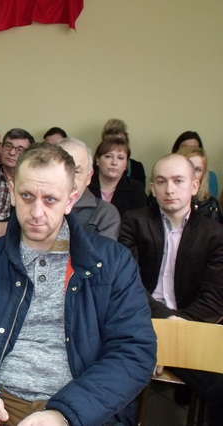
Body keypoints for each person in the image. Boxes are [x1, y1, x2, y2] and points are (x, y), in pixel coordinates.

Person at [0, 143, 156, 426]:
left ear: (71, 200)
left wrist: (64, 414)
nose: (36, 212)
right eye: (27, 196)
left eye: (50, 199)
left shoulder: (113, 263)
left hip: (82, 409)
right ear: (12, 191)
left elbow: (134, 352)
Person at [119, 153, 223, 426]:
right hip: (139, 322)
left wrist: (175, 333)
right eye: (162, 181)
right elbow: (127, 286)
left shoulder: (214, 234)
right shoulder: (133, 221)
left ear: (194, 185)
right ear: (152, 187)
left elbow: (214, 299)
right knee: (116, 380)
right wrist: (166, 325)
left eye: (178, 181)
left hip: (190, 327)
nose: (169, 189)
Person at [60, 138, 120, 240]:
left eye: (76, 171)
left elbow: (100, 251)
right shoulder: (38, 206)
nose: (68, 178)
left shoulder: (105, 213)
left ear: (89, 177)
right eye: (61, 170)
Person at [88, 137, 147, 216]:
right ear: (97, 160)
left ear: (126, 164)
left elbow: (139, 220)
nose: (114, 162)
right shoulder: (85, 185)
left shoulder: (136, 189)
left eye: (120, 158)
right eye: (108, 156)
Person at [177, 148, 223, 223]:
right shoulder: (162, 198)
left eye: (198, 169)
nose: (192, 173)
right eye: (188, 167)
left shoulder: (211, 205)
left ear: (203, 174)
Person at [172, 130, 219, 197]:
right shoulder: (165, 174)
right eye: (185, 147)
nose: (190, 151)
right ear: (176, 150)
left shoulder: (210, 177)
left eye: (194, 148)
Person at [101, 118, 146, 189]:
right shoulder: (92, 170)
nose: (114, 162)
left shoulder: (137, 167)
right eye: (110, 143)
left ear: (127, 143)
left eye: (120, 142)